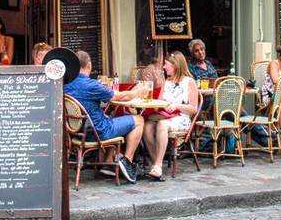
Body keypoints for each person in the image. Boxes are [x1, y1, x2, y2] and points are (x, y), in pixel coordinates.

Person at [64, 50, 147, 183]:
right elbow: (120, 96)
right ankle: (127, 161)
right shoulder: (91, 85)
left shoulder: (66, 84)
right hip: (98, 132)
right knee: (139, 120)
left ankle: (107, 163)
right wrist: (139, 91)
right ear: (89, 65)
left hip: (76, 133)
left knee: (110, 116)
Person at [142, 51, 199, 181]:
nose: (163, 67)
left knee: (162, 125)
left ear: (176, 66)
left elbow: (194, 109)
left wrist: (177, 106)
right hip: (165, 115)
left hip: (181, 118)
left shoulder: (189, 82)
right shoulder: (166, 82)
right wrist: (158, 105)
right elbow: (159, 104)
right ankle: (155, 161)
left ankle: (158, 165)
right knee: (147, 127)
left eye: (166, 65)